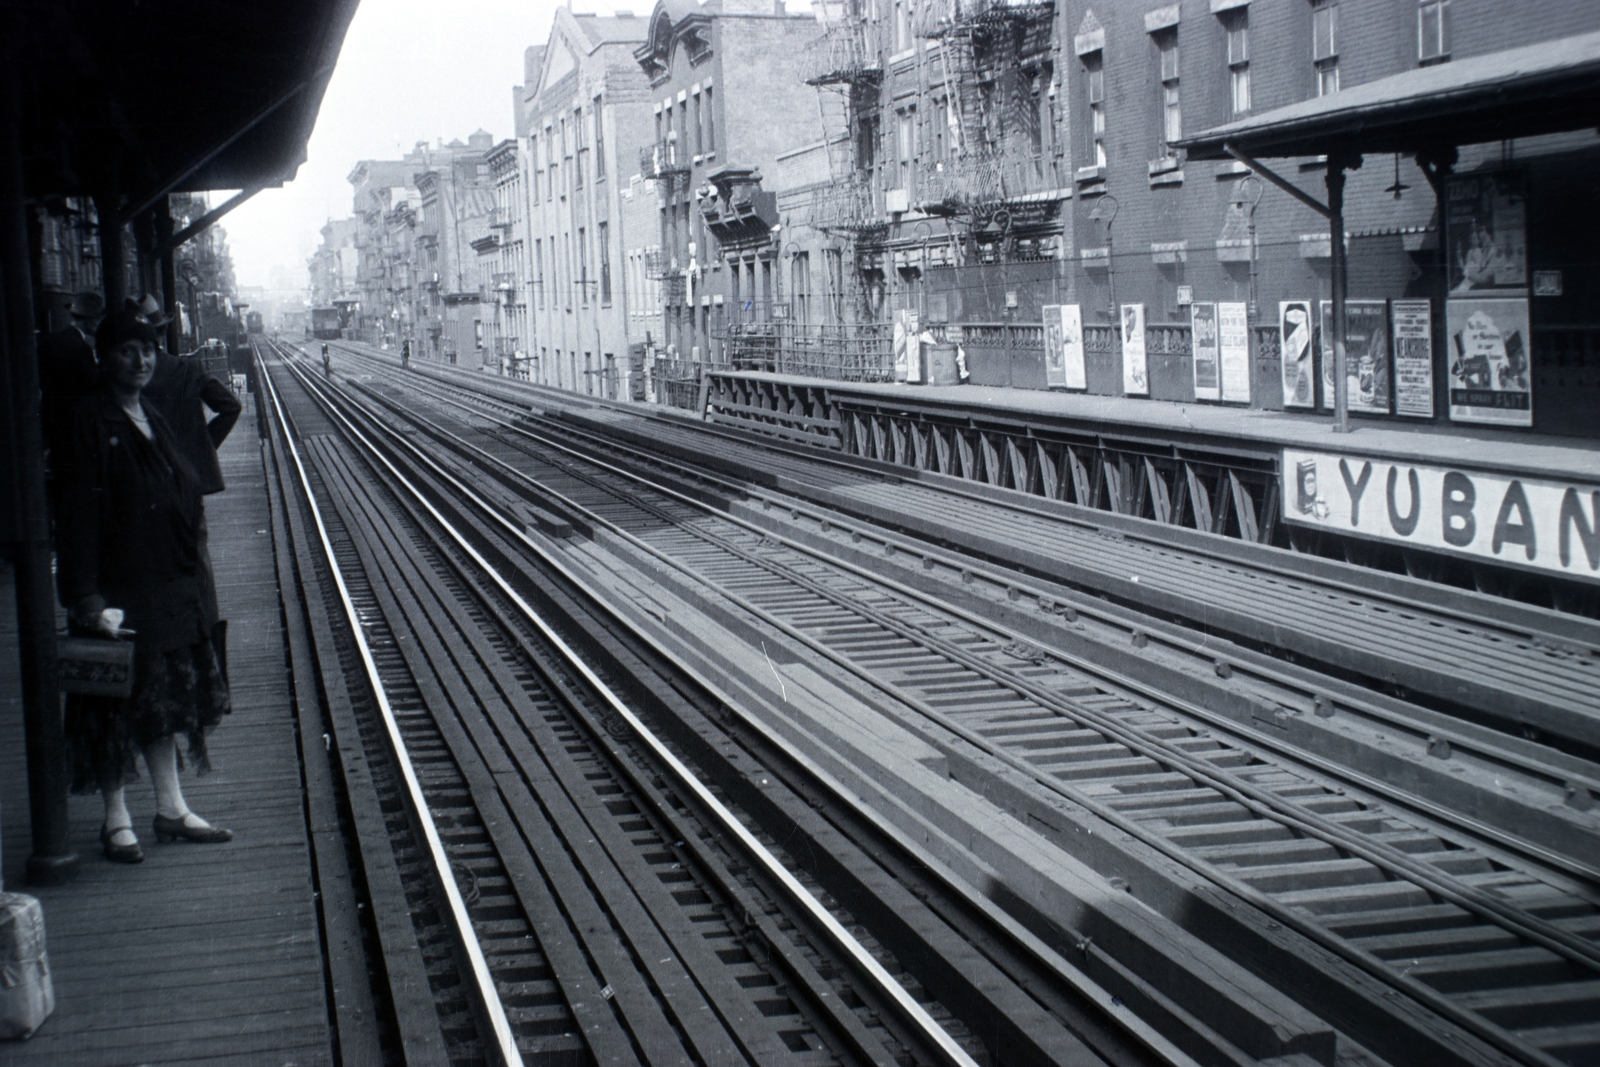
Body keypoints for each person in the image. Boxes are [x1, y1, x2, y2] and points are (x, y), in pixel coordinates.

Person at [56, 308, 233, 864]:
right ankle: (116, 820)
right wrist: (87, 599)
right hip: (117, 585)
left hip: (163, 582)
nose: (140, 361)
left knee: (161, 704)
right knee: (109, 705)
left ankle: (171, 808)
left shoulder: (148, 411)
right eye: (128, 351)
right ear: (105, 358)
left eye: (148, 351)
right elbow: (76, 513)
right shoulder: (90, 419)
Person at [37, 290, 105, 510]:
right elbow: (95, 384)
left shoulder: (50, 342)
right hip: (77, 429)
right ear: (92, 320)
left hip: (53, 426)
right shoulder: (82, 348)